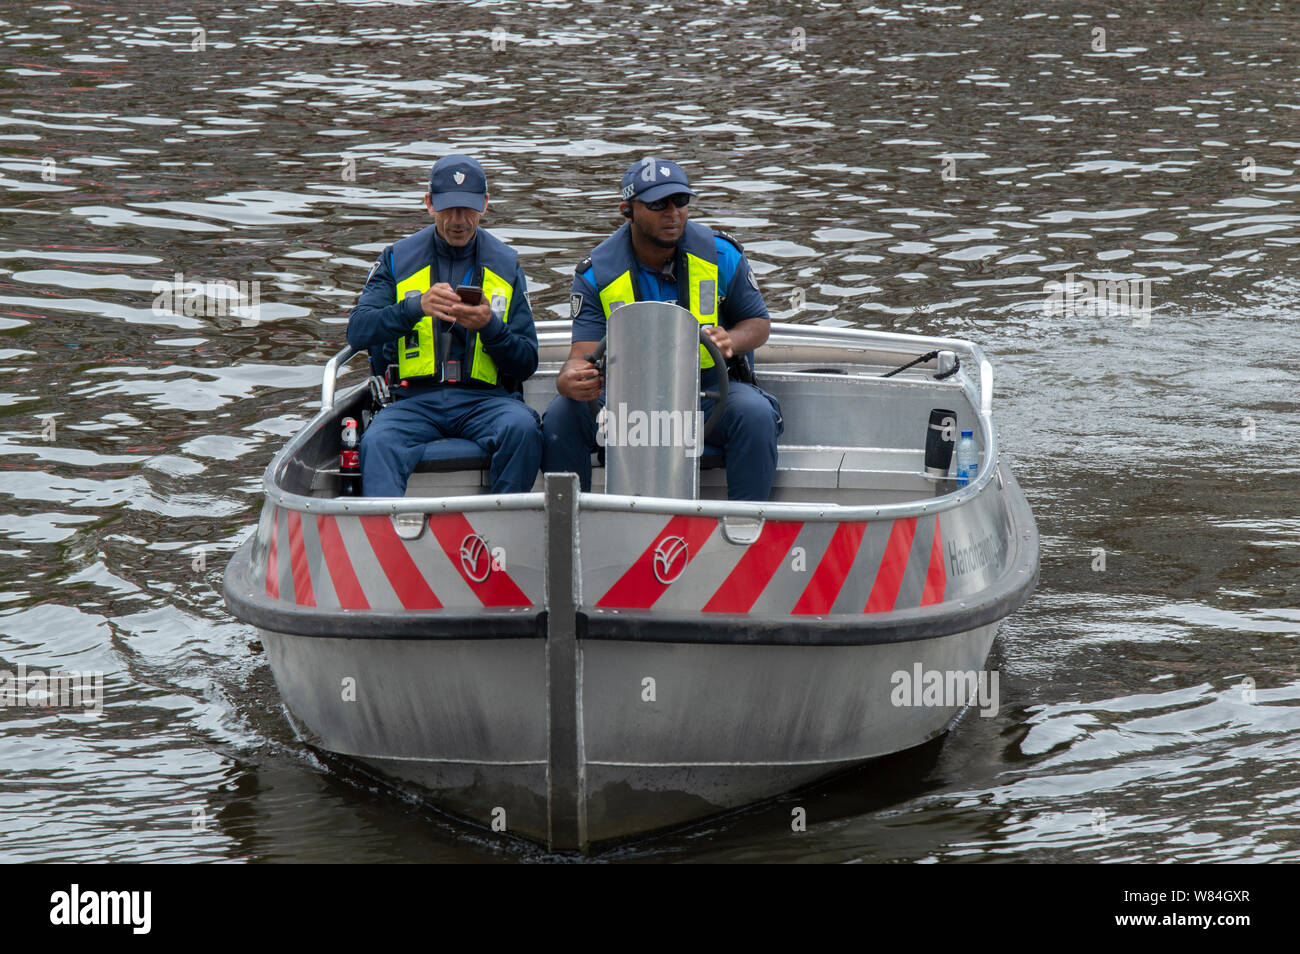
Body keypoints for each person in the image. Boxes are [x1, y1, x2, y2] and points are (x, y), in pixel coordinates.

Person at [541, 157, 782, 500]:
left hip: (707, 392)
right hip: (626, 399)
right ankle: (569, 531)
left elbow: (758, 323)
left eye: (681, 201)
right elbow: (582, 356)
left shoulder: (721, 255)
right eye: (657, 204)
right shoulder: (595, 275)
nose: (673, 212)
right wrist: (569, 379)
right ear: (628, 210)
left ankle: (747, 533)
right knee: (563, 414)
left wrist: (732, 339)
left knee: (756, 415)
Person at [347, 155, 541, 496]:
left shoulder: (507, 264)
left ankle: (501, 533)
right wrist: (414, 307)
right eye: (448, 208)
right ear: (429, 204)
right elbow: (358, 330)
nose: (458, 220)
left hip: (486, 402)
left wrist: (490, 327)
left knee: (523, 428)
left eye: (467, 208)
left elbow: (526, 361)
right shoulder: (395, 259)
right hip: (411, 402)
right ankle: (387, 544)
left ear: (484, 204)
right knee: (377, 441)